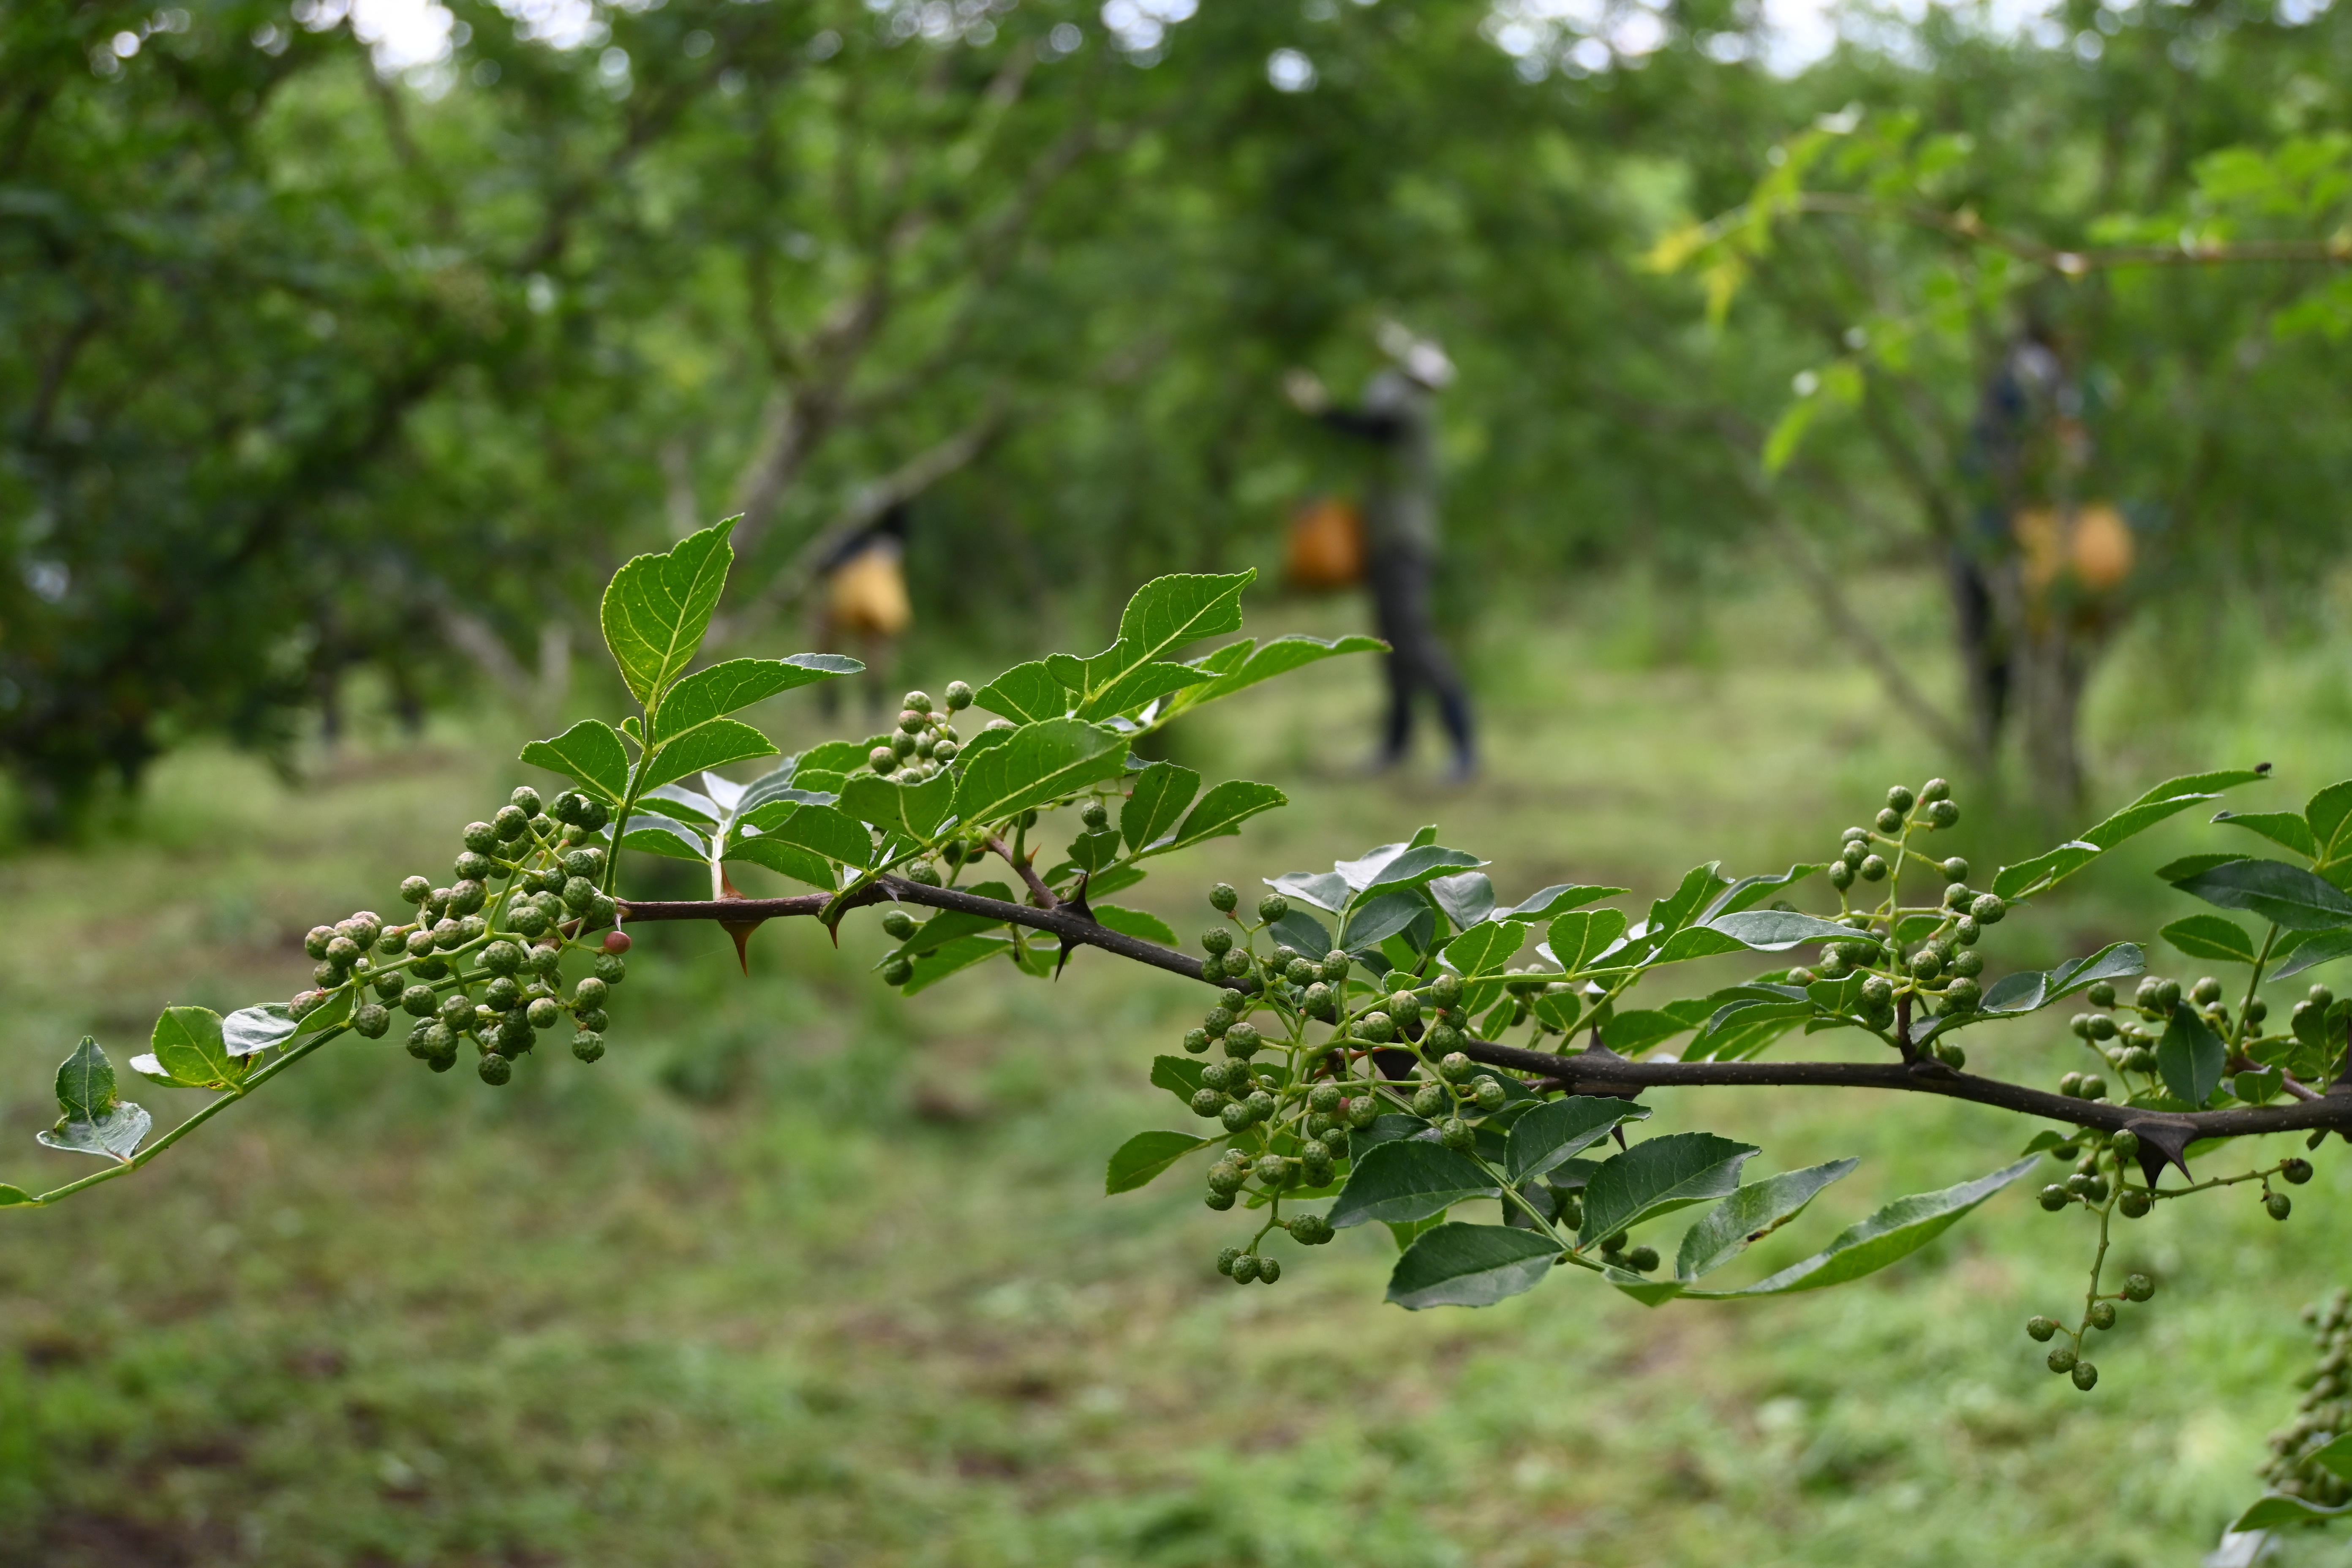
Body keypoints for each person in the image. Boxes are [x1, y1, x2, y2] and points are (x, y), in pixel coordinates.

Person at [1285, 324, 1476, 780]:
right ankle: (1397, 747)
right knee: (1391, 645)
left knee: (1412, 642)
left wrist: (1318, 405)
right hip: (1388, 541)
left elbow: (1370, 429)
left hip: (1403, 544)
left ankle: (1463, 748)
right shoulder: (1407, 407)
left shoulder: (1409, 409)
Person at [812, 503, 912, 719]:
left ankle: (871, 705)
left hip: (870, 566)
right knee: (828, 640)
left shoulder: (893, 485)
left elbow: (900, 516)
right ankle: (831, 705)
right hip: (840, 568)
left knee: (874, 640)